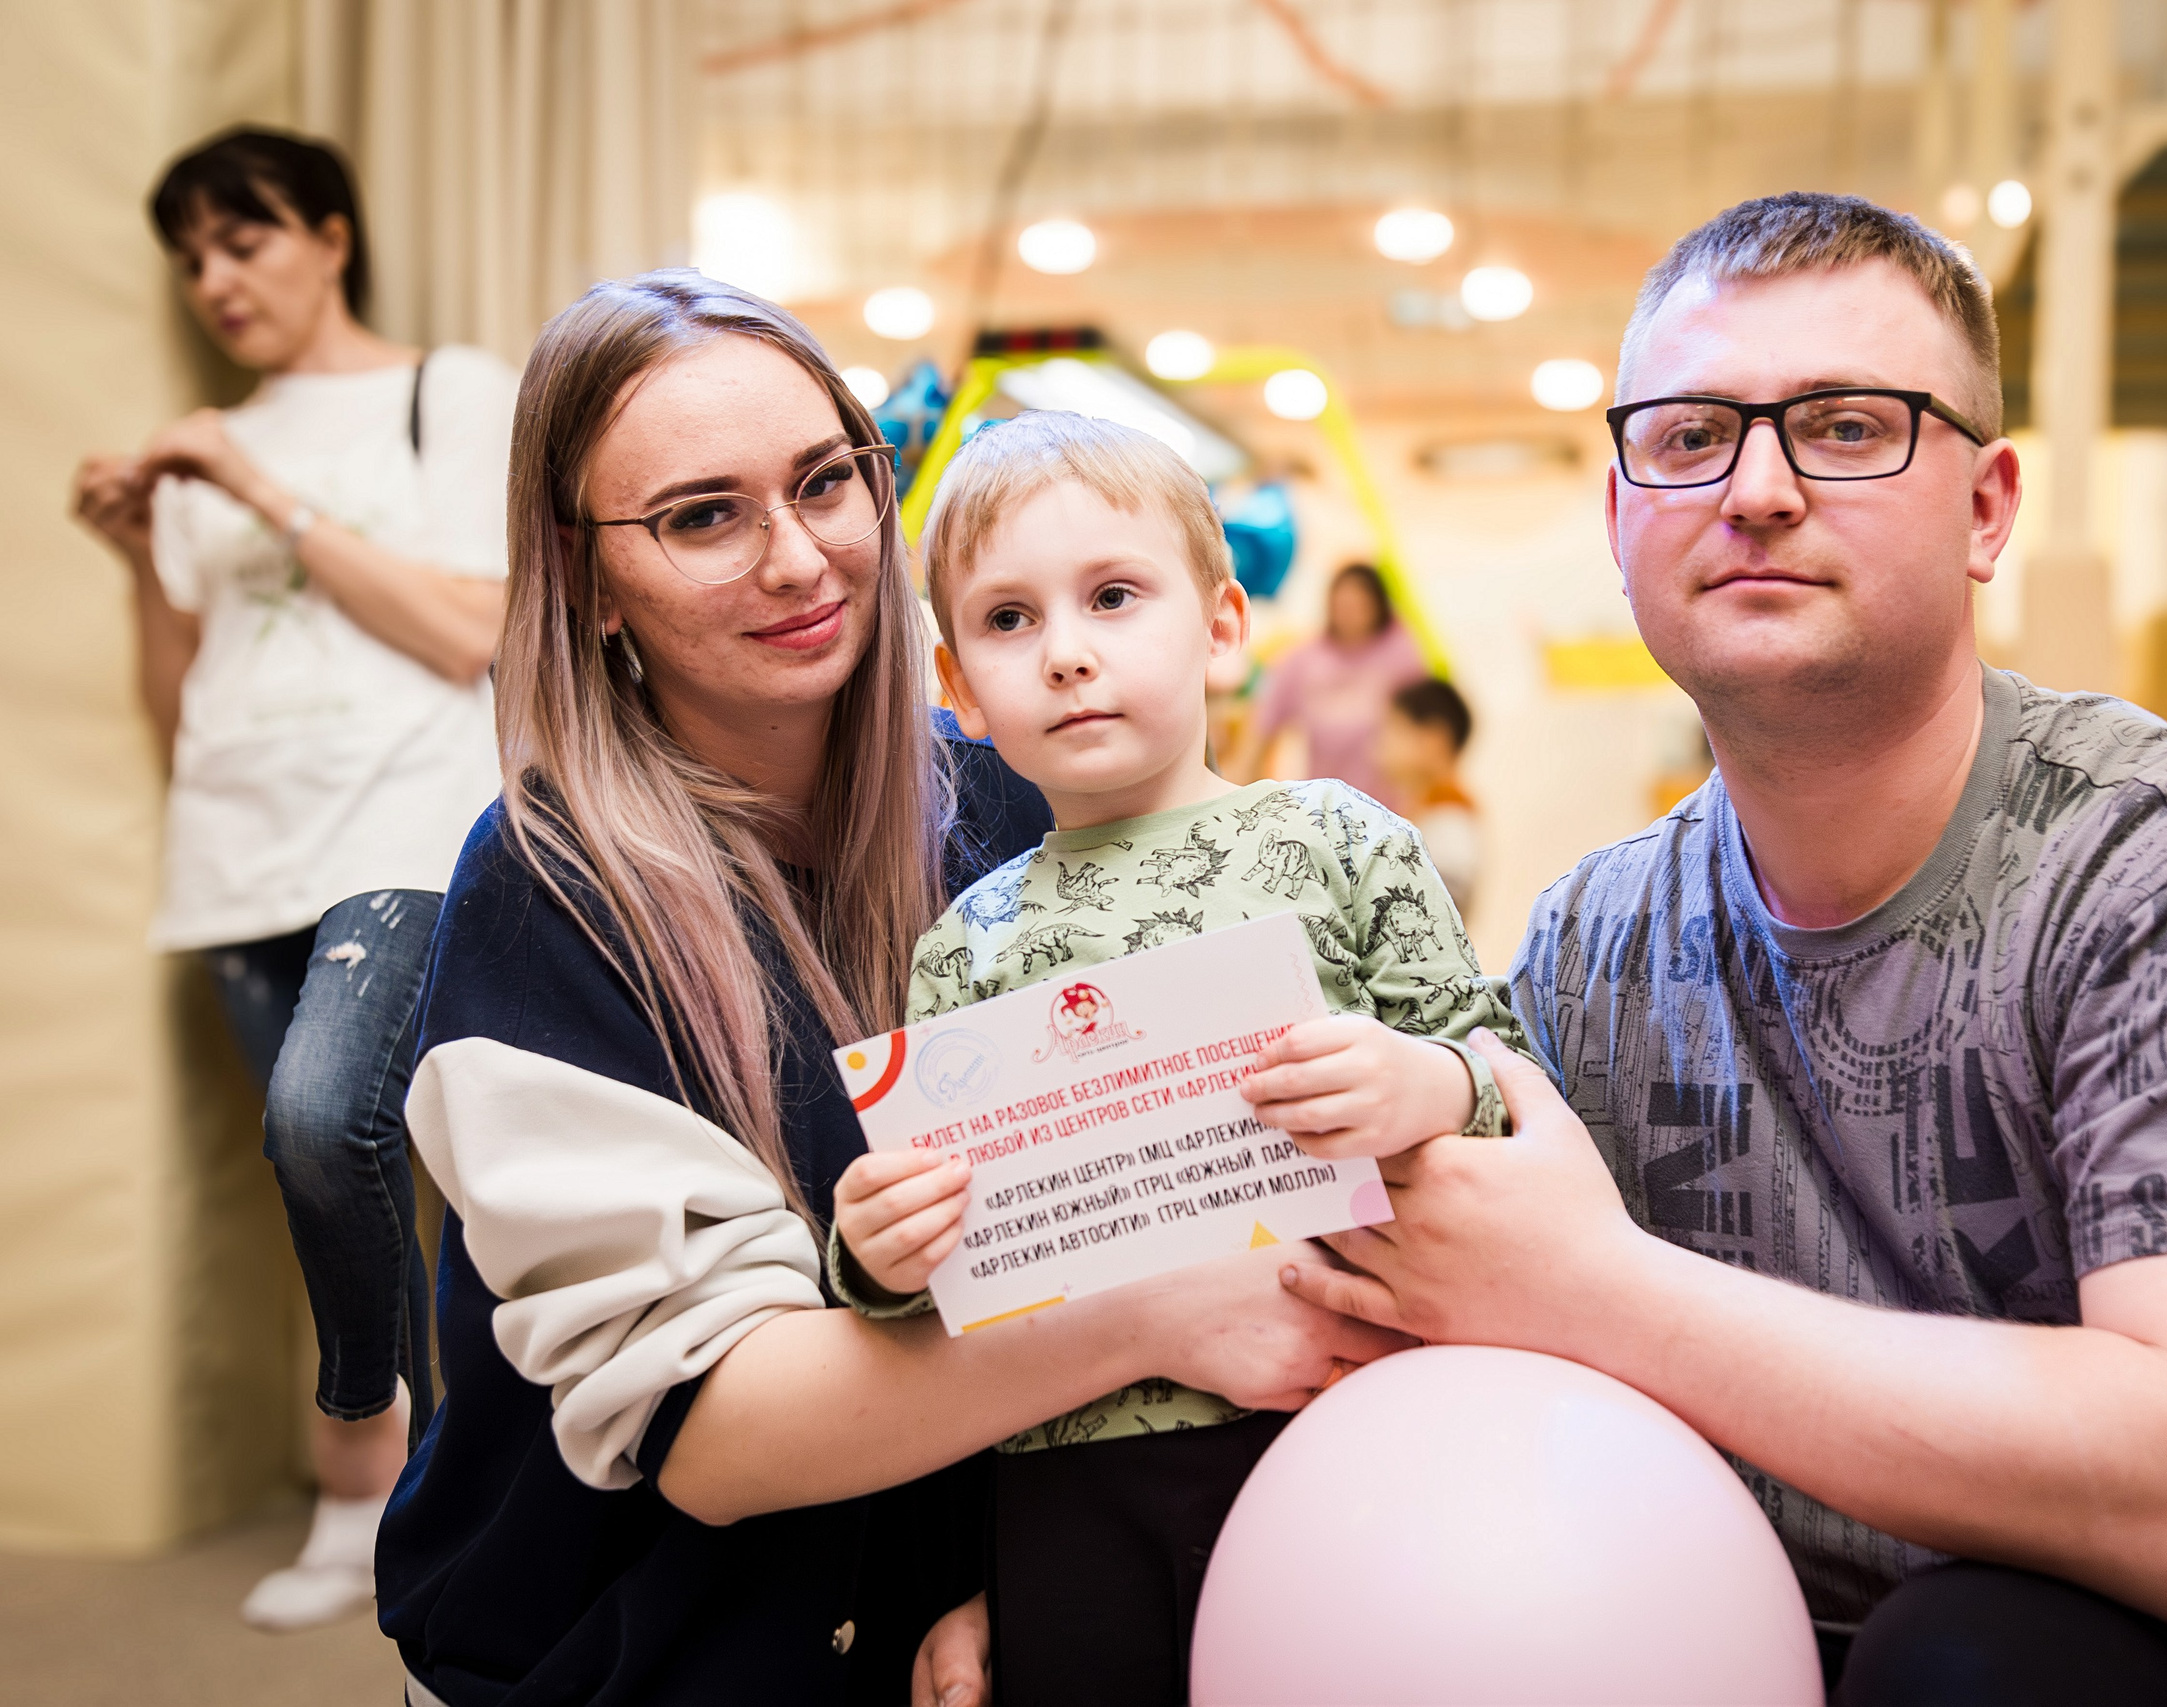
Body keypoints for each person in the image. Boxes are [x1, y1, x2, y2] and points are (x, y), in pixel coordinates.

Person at [1278, 193, 2167, 1707]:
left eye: (1845, 424)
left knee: (1978, 1658)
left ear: (1989, 509)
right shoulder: (1591, 943)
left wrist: (1592, 1287)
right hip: (1767, 1630)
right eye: (1689, 436)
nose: (1755, 488)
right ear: (1621, 516)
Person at [378, 273, 1407, 1707]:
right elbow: (719, 1435)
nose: (799, 559)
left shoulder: (1018, 793)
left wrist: (1037, 1566)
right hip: (630, 1645)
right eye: (701, 516)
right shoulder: (551, 895)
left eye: (823, 482)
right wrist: (1158, 1311)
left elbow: (1145, 1200)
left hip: (958, 1616)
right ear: (587, 575)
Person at [833, 409, 1520, 1707]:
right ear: (959, 686)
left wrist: (1427, 1082)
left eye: (1111, 595)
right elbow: (947, 1299)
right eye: (1011, 619)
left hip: (1337, 1422)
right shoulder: (966, 941)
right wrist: (872, 1253)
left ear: (1219, 626)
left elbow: (1511, 1083)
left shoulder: (1341, 838)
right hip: (1063, 1479)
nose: (1070, 654)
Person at [67, 127, 515, 1631]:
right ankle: (376, 1497)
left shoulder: (442, 395)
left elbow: (477, 632)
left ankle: (409, 1461)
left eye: (243, 240)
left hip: (398, 837)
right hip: (235, 863)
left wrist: (257, 486)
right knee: (336, 1189)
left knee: (346, 1127)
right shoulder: (196, 457)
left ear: (330, 233)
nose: (215, 279)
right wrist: (144, 553)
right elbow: (174, 706)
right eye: (191, 257)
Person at [1244, 560, 1426, 798]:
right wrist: (1252, 796)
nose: (1349, 614)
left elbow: (1424, 730)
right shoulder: (1305, 660)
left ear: (1377, 606)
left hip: (1387, 805)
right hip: (1323, 807)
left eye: (1359, 605)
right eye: (1342, 605)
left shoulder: (1400, 653)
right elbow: (1261, 728)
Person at [1376, 677, 1482, 916]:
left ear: (1434, 740)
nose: (1380, 745)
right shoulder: (1424, 810)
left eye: (1394, 729)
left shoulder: (1451, 817)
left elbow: (1439, 912)